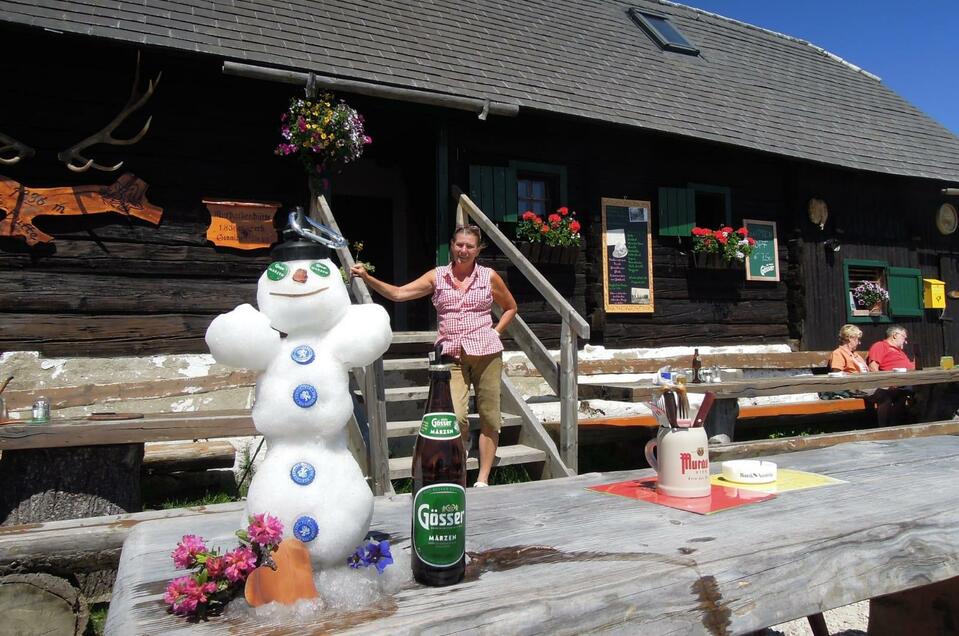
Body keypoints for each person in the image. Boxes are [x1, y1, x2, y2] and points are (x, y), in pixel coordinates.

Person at [351, 225, 517, 488]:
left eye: (469, 246)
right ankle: (458, 471)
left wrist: (496, 332)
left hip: (487, 353)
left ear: (478, 250)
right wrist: (367, 278)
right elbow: (398, 293)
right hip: (451, 355)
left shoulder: (489, 276)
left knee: (489, 415)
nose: (463, 250)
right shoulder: (438, 276)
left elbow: (510, 307)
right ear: (452, 245)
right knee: (456, 418)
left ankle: (483, 479)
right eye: (459, 244)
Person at [866, 325, 916, 427]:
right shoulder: (880, 346)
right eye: (904, 337)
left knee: (932, 389)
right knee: (898, 395)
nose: (905, 341)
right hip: (892, 383)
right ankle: (888, 429)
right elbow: (873, 367)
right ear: (894, 335)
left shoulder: (900, 352)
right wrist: (886, 383)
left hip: (907, 382)